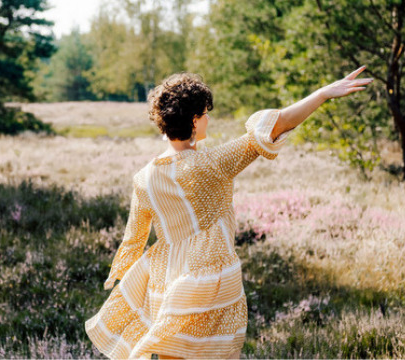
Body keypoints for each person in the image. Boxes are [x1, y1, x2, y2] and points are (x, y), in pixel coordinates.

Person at [85, 67, 373, 359]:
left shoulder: (143, 178)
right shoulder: (212, 162)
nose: (209, 117)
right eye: (205, 112)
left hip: (167, 282)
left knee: (173, 351)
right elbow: (277, 124)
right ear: (195, 121)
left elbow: (134, 240)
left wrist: (120, 280)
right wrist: (323, 94)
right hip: (212, 278)